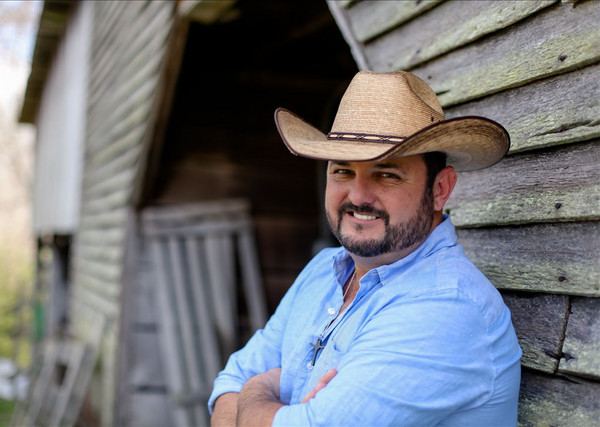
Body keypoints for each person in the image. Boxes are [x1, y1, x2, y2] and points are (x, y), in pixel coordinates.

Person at [208, 71, 522, 426]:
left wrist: (257, 388)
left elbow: (240, 388)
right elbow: (225, 388)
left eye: (387, 174)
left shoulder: (446, 304)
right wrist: (272, 404)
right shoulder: (321, 270)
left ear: (440, 188)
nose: (358, 197)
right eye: (342, 171)